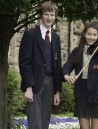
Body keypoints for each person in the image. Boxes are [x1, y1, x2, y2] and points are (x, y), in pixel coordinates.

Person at [62, 22, 98, 129]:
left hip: (97, 94)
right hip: (82, 93)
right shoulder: (77, 51)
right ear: (84, 34)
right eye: (89, 34)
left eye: (95, 35)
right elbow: (67, 67)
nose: (91, 37)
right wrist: (67, 76)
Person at [19, 1, 62, 129]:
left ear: (55, 17)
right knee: (35, 123)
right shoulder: (30, 34)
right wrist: (28, 87)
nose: (49, 18)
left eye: (52, 15)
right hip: (34, 83)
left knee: (44, 123)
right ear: (41, 16)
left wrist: (57, 91)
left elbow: (57, 66)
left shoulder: (56, 38)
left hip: (50, 83)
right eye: (46, 14)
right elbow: (24, 63)